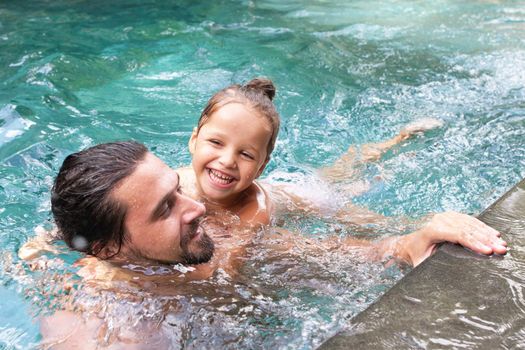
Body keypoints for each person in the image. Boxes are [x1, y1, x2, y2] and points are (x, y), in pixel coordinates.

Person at [31, 140, 505, 348]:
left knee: (329, 189)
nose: (193, 205)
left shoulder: (207, 236)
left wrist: (417, 238)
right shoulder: (114, 333)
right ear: (110, 249)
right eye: (164, 208)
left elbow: (351, 255)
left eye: (176, 187)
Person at [177, 77, 446, 227]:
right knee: (336, 175)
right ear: (193, 140)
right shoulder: (173, 182)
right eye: (215, 143)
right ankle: (390, 145)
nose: (227, 161)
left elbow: (225, 271)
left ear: (261, 167)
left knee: (367, 218)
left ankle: (398, 142)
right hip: (286, 185)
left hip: (303, 199)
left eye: (245, 154)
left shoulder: (254, 213)